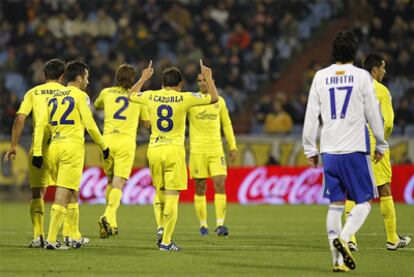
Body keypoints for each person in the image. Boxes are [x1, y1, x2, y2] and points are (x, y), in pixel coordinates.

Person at [302, 31, 388, 272]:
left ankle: (337, 262)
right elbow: (373, 113)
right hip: (354, 149)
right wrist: (381, 143)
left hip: (329, 151)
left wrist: (310, 147)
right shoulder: (361, 77)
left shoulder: (320, 77)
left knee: (336, 205)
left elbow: (311, 115)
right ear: (354, 52)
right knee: (365, 201)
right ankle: (346, 236)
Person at [128, 60, 219, 251]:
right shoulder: (185, 97)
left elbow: (131, 95)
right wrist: (209, 78)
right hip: (174, 150)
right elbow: (213, 98)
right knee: (172, 194)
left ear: (162, 83)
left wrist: (143, 78)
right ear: (179, 85)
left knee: (159, 191)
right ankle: (167, 242)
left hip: (154, 149)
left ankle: (160, 227)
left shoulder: (151, 96)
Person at [33, 61, 109, 249]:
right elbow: (90, 124)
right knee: (63, 193)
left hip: (54, 147)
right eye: (87, 77)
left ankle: (71, 234)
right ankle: (51, 239)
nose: (88, 82)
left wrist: (37, 151)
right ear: (79, 78)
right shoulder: (80, 96)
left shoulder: (53, 96)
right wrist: (103, 145)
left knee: (72, 191)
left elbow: (42, 124)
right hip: (71, 147)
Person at [345, 54, 411, 251]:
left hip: (353, 143)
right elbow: (388, 122)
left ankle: (350, 239)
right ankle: (392, 238)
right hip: (375, 144)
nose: (385, 71)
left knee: (353, 191)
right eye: (383, 68)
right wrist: (382, 141)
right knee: (384, 189)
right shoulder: (382, 91)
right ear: (374, 70)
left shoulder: (352, 89)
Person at [3, 59, 65, 248]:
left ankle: (38, 235)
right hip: (63, 146)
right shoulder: (69, 93)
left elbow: (20, 118)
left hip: (38, 147)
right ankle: (69, 234)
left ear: (44, 75)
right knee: (67, 191)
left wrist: (13, 145)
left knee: (37, 193)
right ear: (62, 76)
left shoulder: (33, 93)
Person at [96, 64, 150, 238]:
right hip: (126, 143)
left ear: (117, 76)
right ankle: (108, 216)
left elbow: (97, 105)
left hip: (107, 141)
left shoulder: (106, 93)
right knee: (119, 184)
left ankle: (112, 223)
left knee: (110, 181)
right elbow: (147, 123)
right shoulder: (138, 97)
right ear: (132, 78)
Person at [188, 73, 237, 236]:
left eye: (205, 80)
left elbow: (227, 125)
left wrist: (232, 146)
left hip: (216, 150)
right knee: (200, 187)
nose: (202, 83)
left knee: (220, 183)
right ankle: (203, 225)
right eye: (199, 81)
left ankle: (220, 224)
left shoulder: (219, 101)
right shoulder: (192, 101)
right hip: (197, 150)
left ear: (212, 82)